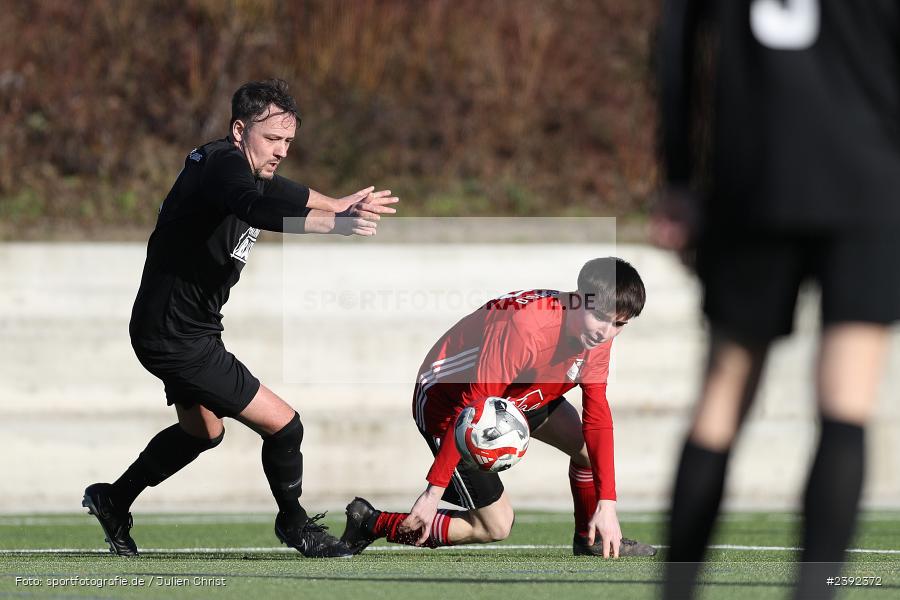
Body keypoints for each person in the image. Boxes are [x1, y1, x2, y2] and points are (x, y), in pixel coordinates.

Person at [82, 79, 398, 559]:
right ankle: (295, 525)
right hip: (177, 335)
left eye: (288, 142)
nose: (281, 151)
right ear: (238, 130)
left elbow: (278, 192)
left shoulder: (236, 167)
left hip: (175, 327)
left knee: (203, 433)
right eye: (272, 139)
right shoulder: (225, 166)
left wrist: (336, 207)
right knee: (286, 427)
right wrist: (334, 221)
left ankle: (114, 498)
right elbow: (256, 204)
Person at [654, 1, 900, 598]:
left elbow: (675, 45)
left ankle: (677, 590)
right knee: (846, 401)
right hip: (866, 184)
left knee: (722, 394)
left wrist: (680, 178)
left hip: (754, 183)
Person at [340, 257, 657, 558]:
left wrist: (608, 503)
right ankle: (371, 521)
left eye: (619, 324)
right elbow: (472, 407)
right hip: (449, 404)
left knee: (589, 451)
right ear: (578, 298)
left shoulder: (597, 333)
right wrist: (432, 494)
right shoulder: (526, 327)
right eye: (601, 317)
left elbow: (597, 417)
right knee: (497, 525)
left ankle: (591, 538)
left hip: (516, 395)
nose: (607, 331)